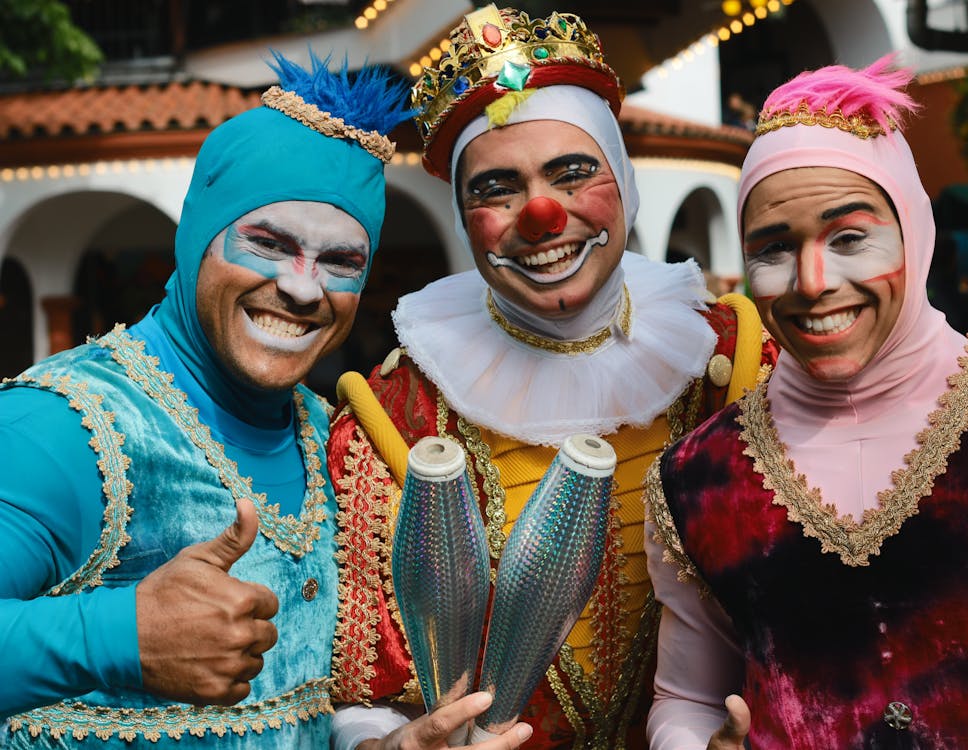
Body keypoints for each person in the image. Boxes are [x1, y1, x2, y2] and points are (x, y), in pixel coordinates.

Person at [325, 5, 777, 749]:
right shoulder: (394, 416)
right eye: (495, 188)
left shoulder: (745, 363)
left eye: (572, 173)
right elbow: (366, 685)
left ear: (623, 182)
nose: (540, 214)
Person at [644, 56, 968, 749]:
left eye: (848, 239)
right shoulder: (698, 479)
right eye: (774, 248)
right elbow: (686, 698)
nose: (812, 283)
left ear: (913, 234)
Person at [0, 52, 414, 747]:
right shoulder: (66, 422)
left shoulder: (333, 440)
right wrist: (117, 636)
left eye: (341, 263)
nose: (305, 289)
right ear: (197, 238)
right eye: (267, 243)